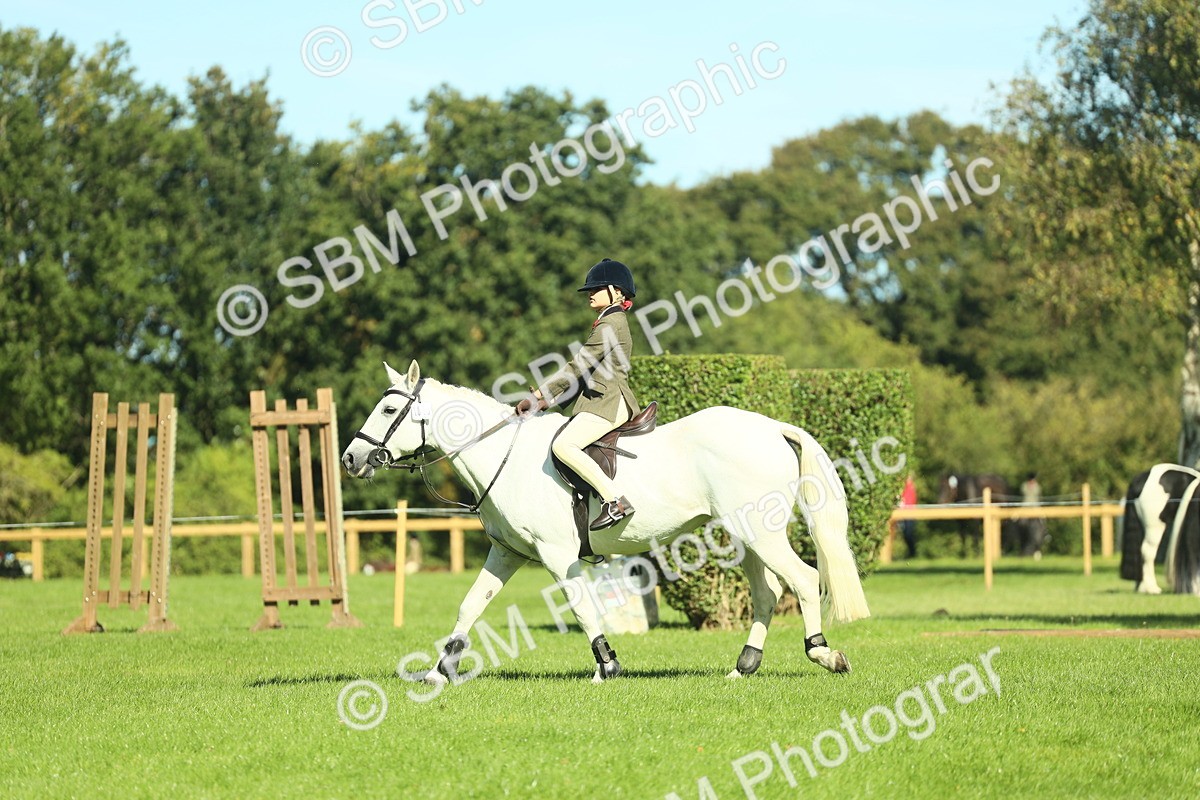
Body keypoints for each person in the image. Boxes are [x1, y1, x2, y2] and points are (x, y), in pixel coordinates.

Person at [516, 258, 642, 530]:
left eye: (597, 288)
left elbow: (579, 365)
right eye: (590, 289)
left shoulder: (610, 324)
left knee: (563, 446)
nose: (590, 294)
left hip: (609, 402)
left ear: (616, 291)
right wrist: (547, 402)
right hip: (600, 399)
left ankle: (614, 501)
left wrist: (540, 394)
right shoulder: (609, 320)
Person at [900, 474, 918, 557]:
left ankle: (912, 552)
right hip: (904, 513)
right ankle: (911, 553)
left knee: (908, 533)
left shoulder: (911, 488)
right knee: (906, 534)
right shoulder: (905, 487)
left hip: (909, 513)